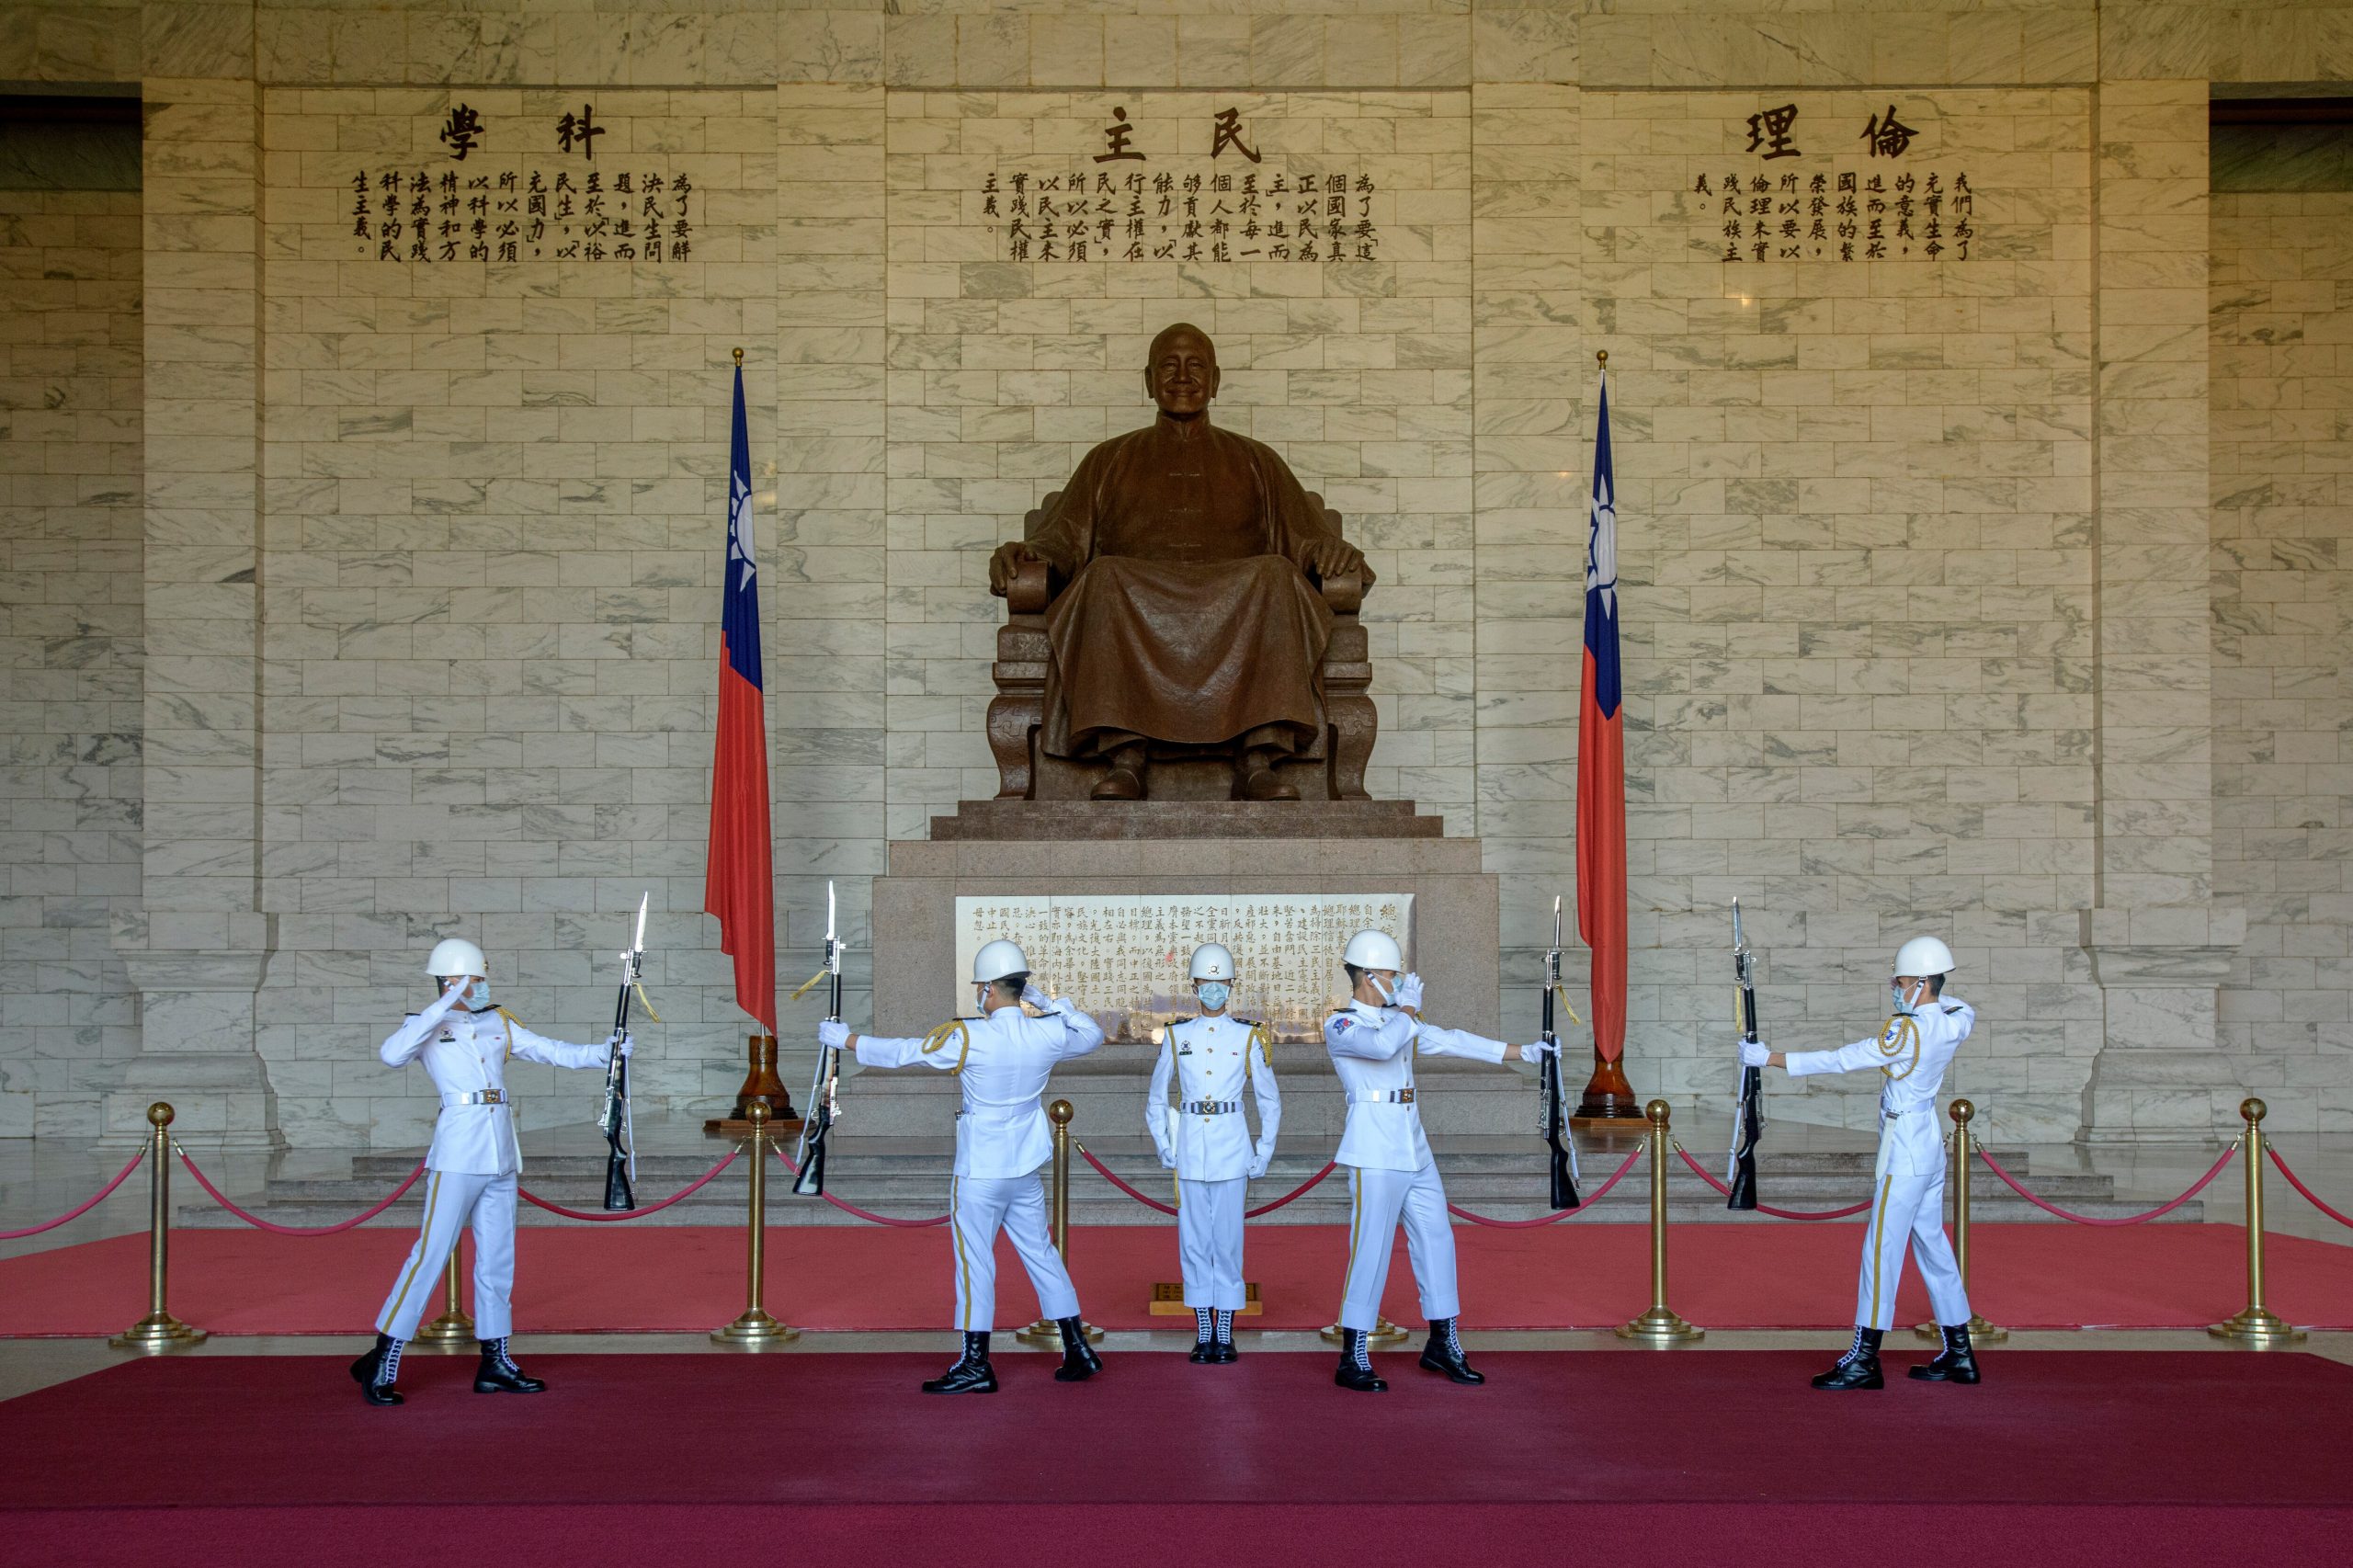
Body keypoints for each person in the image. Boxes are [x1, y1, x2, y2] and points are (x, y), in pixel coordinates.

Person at [986, 323, 1373, 801]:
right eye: (1169, 366)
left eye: (1197, 366)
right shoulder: (1109, 460)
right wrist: (1028, 554)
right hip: (1133, 596)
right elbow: (1063, 541)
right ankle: (1126, 756)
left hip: (1240, 600)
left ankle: (1257, 758)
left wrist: (1330, 551)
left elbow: (1306, 540)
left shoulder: (1257, 460)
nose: (1183, 376)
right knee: (1103, 575)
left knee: (1276, 573)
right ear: (1148, 381)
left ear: (1216, 379)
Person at [351, 937, 631, 1406]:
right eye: (474, 980)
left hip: (500, 1152)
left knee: (497, 1262)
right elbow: (391, 1055)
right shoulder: (424, 1026)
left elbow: (551, 1051)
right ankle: (385, 1356)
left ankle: (495, 1361)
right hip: (458, 1153)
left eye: (482, 979)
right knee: (430, 1256)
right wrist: (443, 1002)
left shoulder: (498, 1021)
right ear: (451, 980)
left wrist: (605, 1052)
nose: (482, 987)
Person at [819, 938, 1106, 1392]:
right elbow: (1092, 1035)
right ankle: (1078, 1348)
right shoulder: (1047, 1032)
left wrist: (848, 1040)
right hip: (1025, 1168)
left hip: (981, 1171)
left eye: (980, 987)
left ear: (990, 988)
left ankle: (976, 1365)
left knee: (976, 1263)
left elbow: (905, 1052)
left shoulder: (970, 1037)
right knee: (1042, 1254)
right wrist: (1051, 1004)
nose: (979, 994)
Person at [1740, 935, 1982, 1390]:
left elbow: (1844, 1059)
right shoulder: (1955, 1020)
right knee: (1933, 1245)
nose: (1895, 986)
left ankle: (1864, 1359)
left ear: (1922, 983)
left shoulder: (1905, 1031)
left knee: (1881, 1250)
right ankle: (1959, 1352)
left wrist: (1770, 1059)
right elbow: (1956, 1004)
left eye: (1903, 981)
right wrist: (1930, 989)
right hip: (1928, 1141)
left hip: (1905, 1145)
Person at [1324, 929, 1556, 1392]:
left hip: (1412, 1144)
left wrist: (1523, 1052)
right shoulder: (1343, 1025)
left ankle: (1442, 1341)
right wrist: (1407, 1009)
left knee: (1437, 1240)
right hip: (1374, 1149)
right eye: (1390, 975)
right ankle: (1354, 1354)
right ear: (1368, 976)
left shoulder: (1401, 1020)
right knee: (1369, 1249)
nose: (1397, 981)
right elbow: (1382, 1046)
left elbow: (1451, 1040)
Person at [1146, 942, 1281, 1363]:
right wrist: (1164, 1144)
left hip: (1231, 1146)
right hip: (1189, 1147)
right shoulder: (1176, 1035)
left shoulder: (1248, 1036)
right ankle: (1202, 1328)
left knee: (1227, 1241)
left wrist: (1264, 1150)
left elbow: (1269, 1099)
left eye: (1222, 984)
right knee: (1193, 1241)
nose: (1214, 990)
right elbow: (1155, 1097)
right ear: (1195, 985)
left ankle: (1225, 1329)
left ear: (1231, 986)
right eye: (1207, 983)